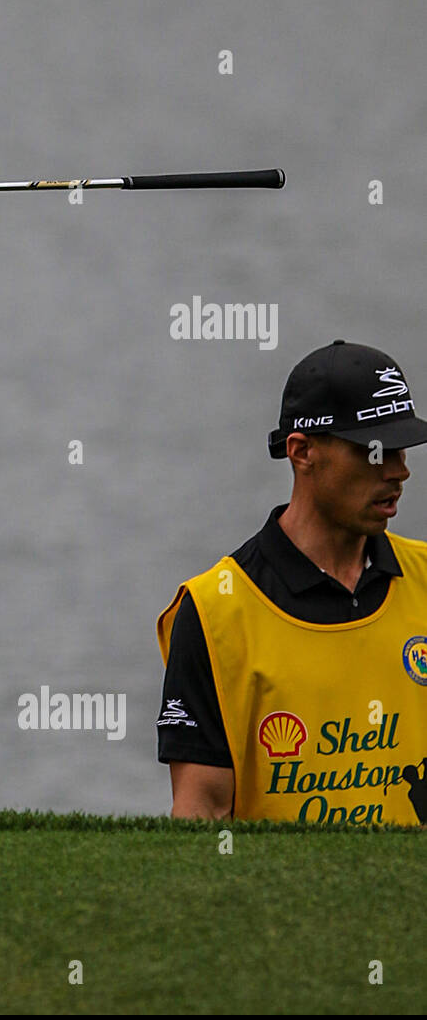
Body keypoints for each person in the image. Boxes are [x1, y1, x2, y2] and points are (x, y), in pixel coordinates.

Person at [156, 340, 427, 825]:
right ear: (302, 452)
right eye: (373, 451)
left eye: (402, 447)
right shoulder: (215, 611)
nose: (398, 470)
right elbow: (202, 813)